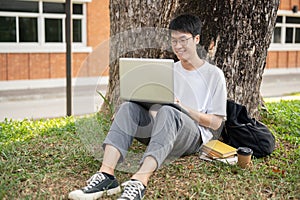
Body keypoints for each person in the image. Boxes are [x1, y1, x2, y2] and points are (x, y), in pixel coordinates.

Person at [68, 14, 227, 200]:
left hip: (192, 137)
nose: (178, 46)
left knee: (170, 111)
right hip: (162, 128)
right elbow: (157, 109)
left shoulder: (213, 74)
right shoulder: (169, 70)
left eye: (183, 40)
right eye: (174, 41)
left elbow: (216, 123)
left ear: (197, 39)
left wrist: (182, 108)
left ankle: (139, 182)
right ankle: (106, 175)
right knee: (128, 107)